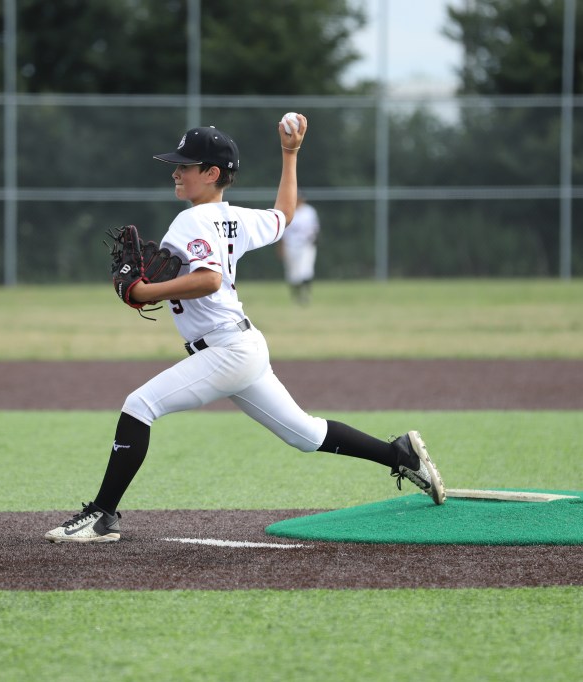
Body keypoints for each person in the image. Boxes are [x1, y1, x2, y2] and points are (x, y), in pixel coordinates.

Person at [44, 115, 445, 544]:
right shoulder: (234, 218)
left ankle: (102, 515)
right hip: (240, 346)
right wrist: (290, 153)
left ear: (211, 173)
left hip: (227, 350)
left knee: (139, 406)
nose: (176, 172)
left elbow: (209, 279)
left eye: (185, 165)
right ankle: (399, 454)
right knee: (306, 434)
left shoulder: (190, 222)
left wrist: (145, 291)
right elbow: (284, 215)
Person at [277, 193, 320, 305]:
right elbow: (283, 232)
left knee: (306, 270)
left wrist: (314, 240)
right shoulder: (288, 211)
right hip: (290, 245)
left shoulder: (309, 211)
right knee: (292, 273)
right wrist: (281, 248)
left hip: (306, 245)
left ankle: (306, 295)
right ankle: (297, 296)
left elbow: (315, 228)